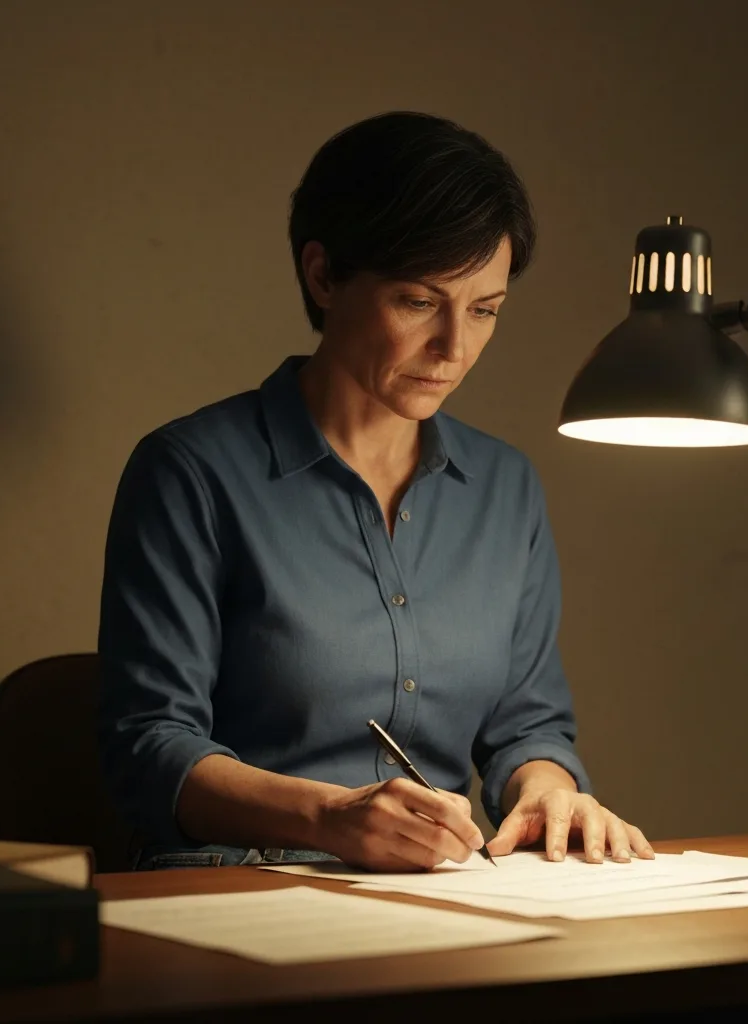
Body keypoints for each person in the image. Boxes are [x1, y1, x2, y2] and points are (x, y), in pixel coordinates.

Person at [98, 110, 652, 872]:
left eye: (484, 310)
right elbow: (149, 747)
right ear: (323, 275)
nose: (455, 348)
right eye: (419, 302)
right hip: (236, 897)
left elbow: (527, 724)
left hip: (442, 901)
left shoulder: (503, 487)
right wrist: (329, 816)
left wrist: (548, 788)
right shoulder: (191, 472)